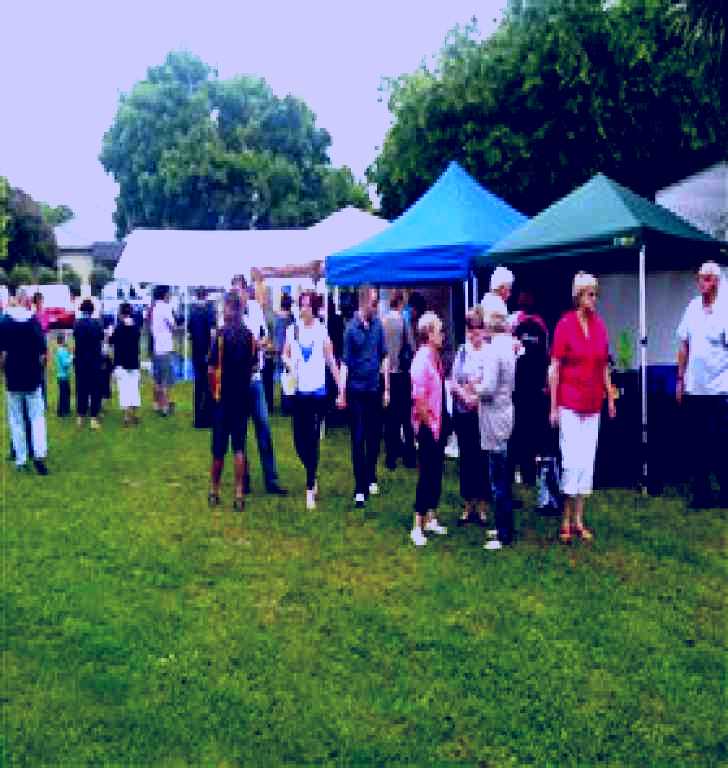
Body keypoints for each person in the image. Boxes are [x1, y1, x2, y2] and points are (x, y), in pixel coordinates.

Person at [549, 272, 616, 544]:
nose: (594, 299)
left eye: (596, 294)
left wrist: (610, 397)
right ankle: (565, 519)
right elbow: (554, 368)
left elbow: (603, 366)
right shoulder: (565, 324)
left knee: (587, 460)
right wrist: (553, 406)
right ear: (579, 296)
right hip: (569, 402)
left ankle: (579, 518)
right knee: (571, 460)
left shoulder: (600, 326)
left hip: (593, 403)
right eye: (590, 294)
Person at [676, 261, 728, 508]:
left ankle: (725, 492)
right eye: (699, 278)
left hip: (720, 389)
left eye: (705, 279)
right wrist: (680, 380)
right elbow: (684, 345)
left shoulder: (725, 309)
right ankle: (701, 494)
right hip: (694, 388)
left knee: (721, 443)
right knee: (696, 444)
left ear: (716, 281)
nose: (701, 283)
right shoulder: (692, 307)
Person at [283, 290, 342, 509]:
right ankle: (312, 471)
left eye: (308, 305)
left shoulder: (321, 331)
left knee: (313, 439)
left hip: (317, 393)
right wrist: (289, 364)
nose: (304, 309)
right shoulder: (293, 330)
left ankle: (310, 488)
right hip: (299, 392)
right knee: (299, 441)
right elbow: (284, 354)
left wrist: (341, 386)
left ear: (314, 309)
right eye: (302, 305)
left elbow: (331, 359)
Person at [232, 275, 288, 496]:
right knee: (240, 432)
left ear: (246, 292)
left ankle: (271, 480)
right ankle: (243, 479)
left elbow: (265, 337)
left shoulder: (255, 309)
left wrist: (259, 344)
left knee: (263, 428)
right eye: (233, 291)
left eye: (239, 291)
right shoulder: (229, 314)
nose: (237, 295)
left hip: (255, 378)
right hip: (237, 381)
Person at [337, 285, 389, 509]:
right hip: (356, 391)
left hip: (374, 389)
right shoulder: (350, 330)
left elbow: (384, 356)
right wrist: (341, 392)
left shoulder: (378, 325)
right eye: (374, 303)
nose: (376, 307)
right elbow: (345, 364)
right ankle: (360, 487)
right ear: (364, 302)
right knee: (358, 438)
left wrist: (386, 388)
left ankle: (370, 474)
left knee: (374, 436)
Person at [474, 295, 517, 550]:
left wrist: (474, 387)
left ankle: (503, 533)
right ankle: (503, 526)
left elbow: (489, 388)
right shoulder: (508, 345)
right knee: (503, 477)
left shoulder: (493, 349)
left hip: (494, 416)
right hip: (505, 412)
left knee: (498, 479)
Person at [207, 292, 255, 510]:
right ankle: (238, 494)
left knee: (218, 449)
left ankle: (214, 491)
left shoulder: (220, 335)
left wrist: (214, 392)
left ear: (229, 309)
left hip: (223, 399)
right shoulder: (249, 336)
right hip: (241, 399)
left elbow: (210, 368)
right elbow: (252, 367)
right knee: (239, 448)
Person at [409, 311, 448, 546]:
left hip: (439, 424)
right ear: (429, 334)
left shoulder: (436, 358)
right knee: (426, 474)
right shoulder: (421, 360)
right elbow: (419, 399)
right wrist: (430, 424)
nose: (443, 335)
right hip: (427, 426)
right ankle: (417, 524)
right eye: (439, 331)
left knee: (436, 472)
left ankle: (431, 517)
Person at [0, 289, 49, 474]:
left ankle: (21, 459)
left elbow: (2, 354)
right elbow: (43, 354)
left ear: (15, 300)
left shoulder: (5, 322)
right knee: (37, 418)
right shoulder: (34, 322)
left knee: (16, 419)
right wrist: (40, 370)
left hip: (13, 376)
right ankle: (39, 454)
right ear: (27, 301)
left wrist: (4, 371)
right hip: (32, 376)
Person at [450, 307, 490, 526]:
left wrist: (477, 394)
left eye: (478, 328)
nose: (475, 333)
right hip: (464, 413)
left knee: (482, 459)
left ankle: (482, 506)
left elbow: (490, 382)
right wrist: (464, 394)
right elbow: (454, 381)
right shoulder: (462, 352)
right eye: (471, 329)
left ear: (484, 329)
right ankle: (467, 505)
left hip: (483, 413)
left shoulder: (489, 352)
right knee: (466, 459)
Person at [511, 289, 550, 485]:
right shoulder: (537, 325)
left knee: (523, 429)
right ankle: (528, 472)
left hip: (523, 386)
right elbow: (545, 356)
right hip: (531, 386)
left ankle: (525, 470)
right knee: (530, 429)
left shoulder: (518, 324)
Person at [383, 289, 417, 470]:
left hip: (387, 373)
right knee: (406, 418)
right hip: (402, 373)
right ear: (401, 302)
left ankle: (391, 457)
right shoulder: (404, 321)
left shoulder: (383, 321)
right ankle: (409, 457)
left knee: (390, 418)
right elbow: (411, 346)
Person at [73, 298, 104, 430]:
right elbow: (101, 338)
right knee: (95, 389)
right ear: (92, 311)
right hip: (94, 361)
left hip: (80, 361)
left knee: (81, 388)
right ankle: (93, 418)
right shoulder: (97, 324)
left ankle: (80, 416)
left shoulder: (77, 324)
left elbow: (76, 339)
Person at [110, 302, 141, 426]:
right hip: (133, 362)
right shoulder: (136, 327)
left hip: (121, 362)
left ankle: (127, 417)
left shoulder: (118, 327)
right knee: (134, 389)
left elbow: (111, 341)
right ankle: (135, 414)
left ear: (121, 313)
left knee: (124, 390)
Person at [188, 288, 216, 428]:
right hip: (207, 353)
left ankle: (198, 418)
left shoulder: (192, 312)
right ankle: (207, 418)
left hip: (196, 354)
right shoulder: (209, 312)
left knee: (198, 386)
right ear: (206, 296)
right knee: (208, 386)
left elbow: (189, 333)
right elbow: (212, 333)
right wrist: (212, 352)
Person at [151, 285, 176, 416]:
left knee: (157, 378)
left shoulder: (154, 307)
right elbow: (173, 326)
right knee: (165, 380)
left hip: (156, 347)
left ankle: (156, 404)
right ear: (165, 294)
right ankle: (165, 407)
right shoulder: (165, 308)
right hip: (165, 347)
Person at [274, 292, 296, 416]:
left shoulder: (278, 319)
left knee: (284, 378)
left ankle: (285, 405)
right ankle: (288, 405)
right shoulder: (290, 319)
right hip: (288, 350)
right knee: (289, 378)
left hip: (279, 350)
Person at [54, 333, 72, 417]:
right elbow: (65, 364)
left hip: (61, 375)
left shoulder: (59, 350)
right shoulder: (62, 351)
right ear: (63, 340)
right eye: (65, 339)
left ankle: (64, 410)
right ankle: (62, 411)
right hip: (63, 376)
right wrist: (71, 357)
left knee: (64, 393)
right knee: (64, 394)